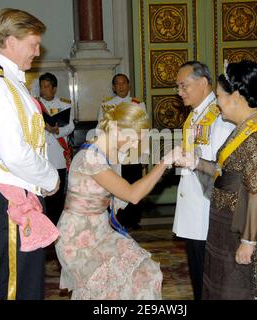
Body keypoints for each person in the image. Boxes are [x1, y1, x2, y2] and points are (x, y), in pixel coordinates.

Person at [0, 8, 60, 300]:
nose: (37, 50)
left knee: (26, 288)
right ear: (10, 40)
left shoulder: (10, 81)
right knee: (14, 291)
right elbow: (12, 151)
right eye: (33, 43)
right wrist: (50, 178)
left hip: (15, 196)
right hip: (5, 200)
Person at [179, 60, 257, 299]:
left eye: (218, 96)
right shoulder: (242, 127)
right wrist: (195, 163)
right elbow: (225, 170)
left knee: (245, 289)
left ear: (235, 96)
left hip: (249, 225)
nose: (216, 103)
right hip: (229, 223)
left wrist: (248, 241)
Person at [55, 102, 181, 299]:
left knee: (145, 273)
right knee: (110, 290)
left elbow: (119, 196)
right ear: (114, 129)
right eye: (131, 139)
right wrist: (164, 162)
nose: (133, 146)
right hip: (79, 238)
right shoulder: (91, 157)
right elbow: (132, 195)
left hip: (99, 230)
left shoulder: (106, 154)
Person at [172, 61, 235, 300]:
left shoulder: (220, 116)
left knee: (210, 278)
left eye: (184, 86)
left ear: (203, 83)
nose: (180, 92)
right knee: (199, 275)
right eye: (178, 87)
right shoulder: (196, 115)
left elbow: (224, 168)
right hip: (194, 207)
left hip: (207, 209)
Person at [98, 74, 147, 230]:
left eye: (123, 83)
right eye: (117, 84)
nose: (121, 86)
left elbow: (144, 129)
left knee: (134, 184)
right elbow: (100, 128)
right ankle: (116, 218)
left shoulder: (138, 104)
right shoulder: (106, 104)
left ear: (128, 85)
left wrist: (144, 154)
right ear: (113, 87)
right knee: (115, 185)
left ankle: (133, 220)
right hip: (114, 151)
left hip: (133, 151)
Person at [37, 72, 75, 225]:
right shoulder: (35, 105)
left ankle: (58, 224)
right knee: (43, 192)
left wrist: (57, 130)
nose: (43, 90)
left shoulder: (64, 104)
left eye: (46, 87)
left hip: (58, 155)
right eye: (41, 87)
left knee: (58, 194)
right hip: (42, 155)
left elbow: (71, 126)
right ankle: (44, 224)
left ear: (54, 88)